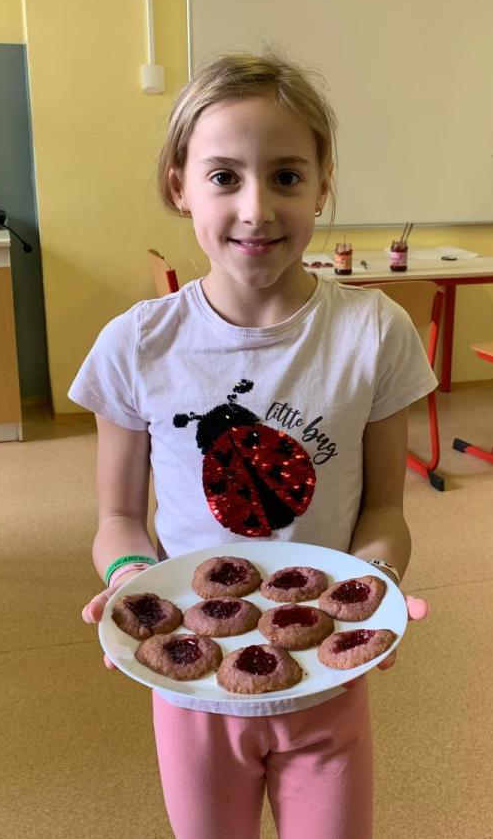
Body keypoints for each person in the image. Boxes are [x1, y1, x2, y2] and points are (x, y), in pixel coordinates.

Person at [71, 51, 437, 839]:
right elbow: (118, 519)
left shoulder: (375, 333)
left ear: (322, 184)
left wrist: (376, 582)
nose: (256, 208)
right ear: (179, 185)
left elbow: (384, 510)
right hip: (190, 693)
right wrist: (132, 582)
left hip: (326, 685)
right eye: (224, 177)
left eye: (287, 176)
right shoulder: (136, 345)